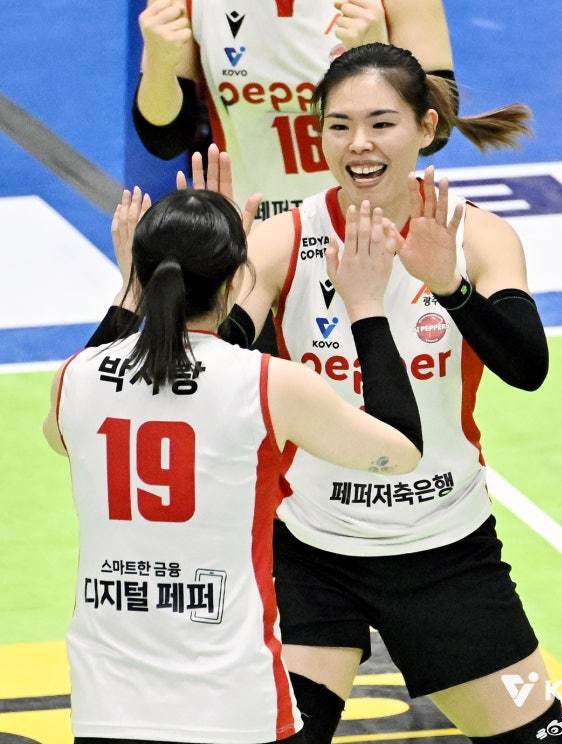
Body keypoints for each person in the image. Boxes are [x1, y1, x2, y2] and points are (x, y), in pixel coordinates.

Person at [219, 43, 562, 743]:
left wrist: (451, 287)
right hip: (309, 550)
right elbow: (210, 363)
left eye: (381, 123)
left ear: (426, 127)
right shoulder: (284, 240)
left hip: (446, 548)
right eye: (339, 125)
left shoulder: (478, 236)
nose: (358, 144)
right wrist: (208, 268)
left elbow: (527, 366)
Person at [43, 182, 424, 743]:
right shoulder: (268, 385)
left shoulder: (74, 379)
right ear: (235, 278)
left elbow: (64, 430)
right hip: (231, 703)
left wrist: (129, 294)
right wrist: (367, 307)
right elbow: (401, 449)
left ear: (141, 272)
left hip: (108, 703)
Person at [133, 0, 458, 215]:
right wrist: (160, 65)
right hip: (253, 233)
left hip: (371, 227)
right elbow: (164, 138)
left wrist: (378, 59)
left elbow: (437, 128)